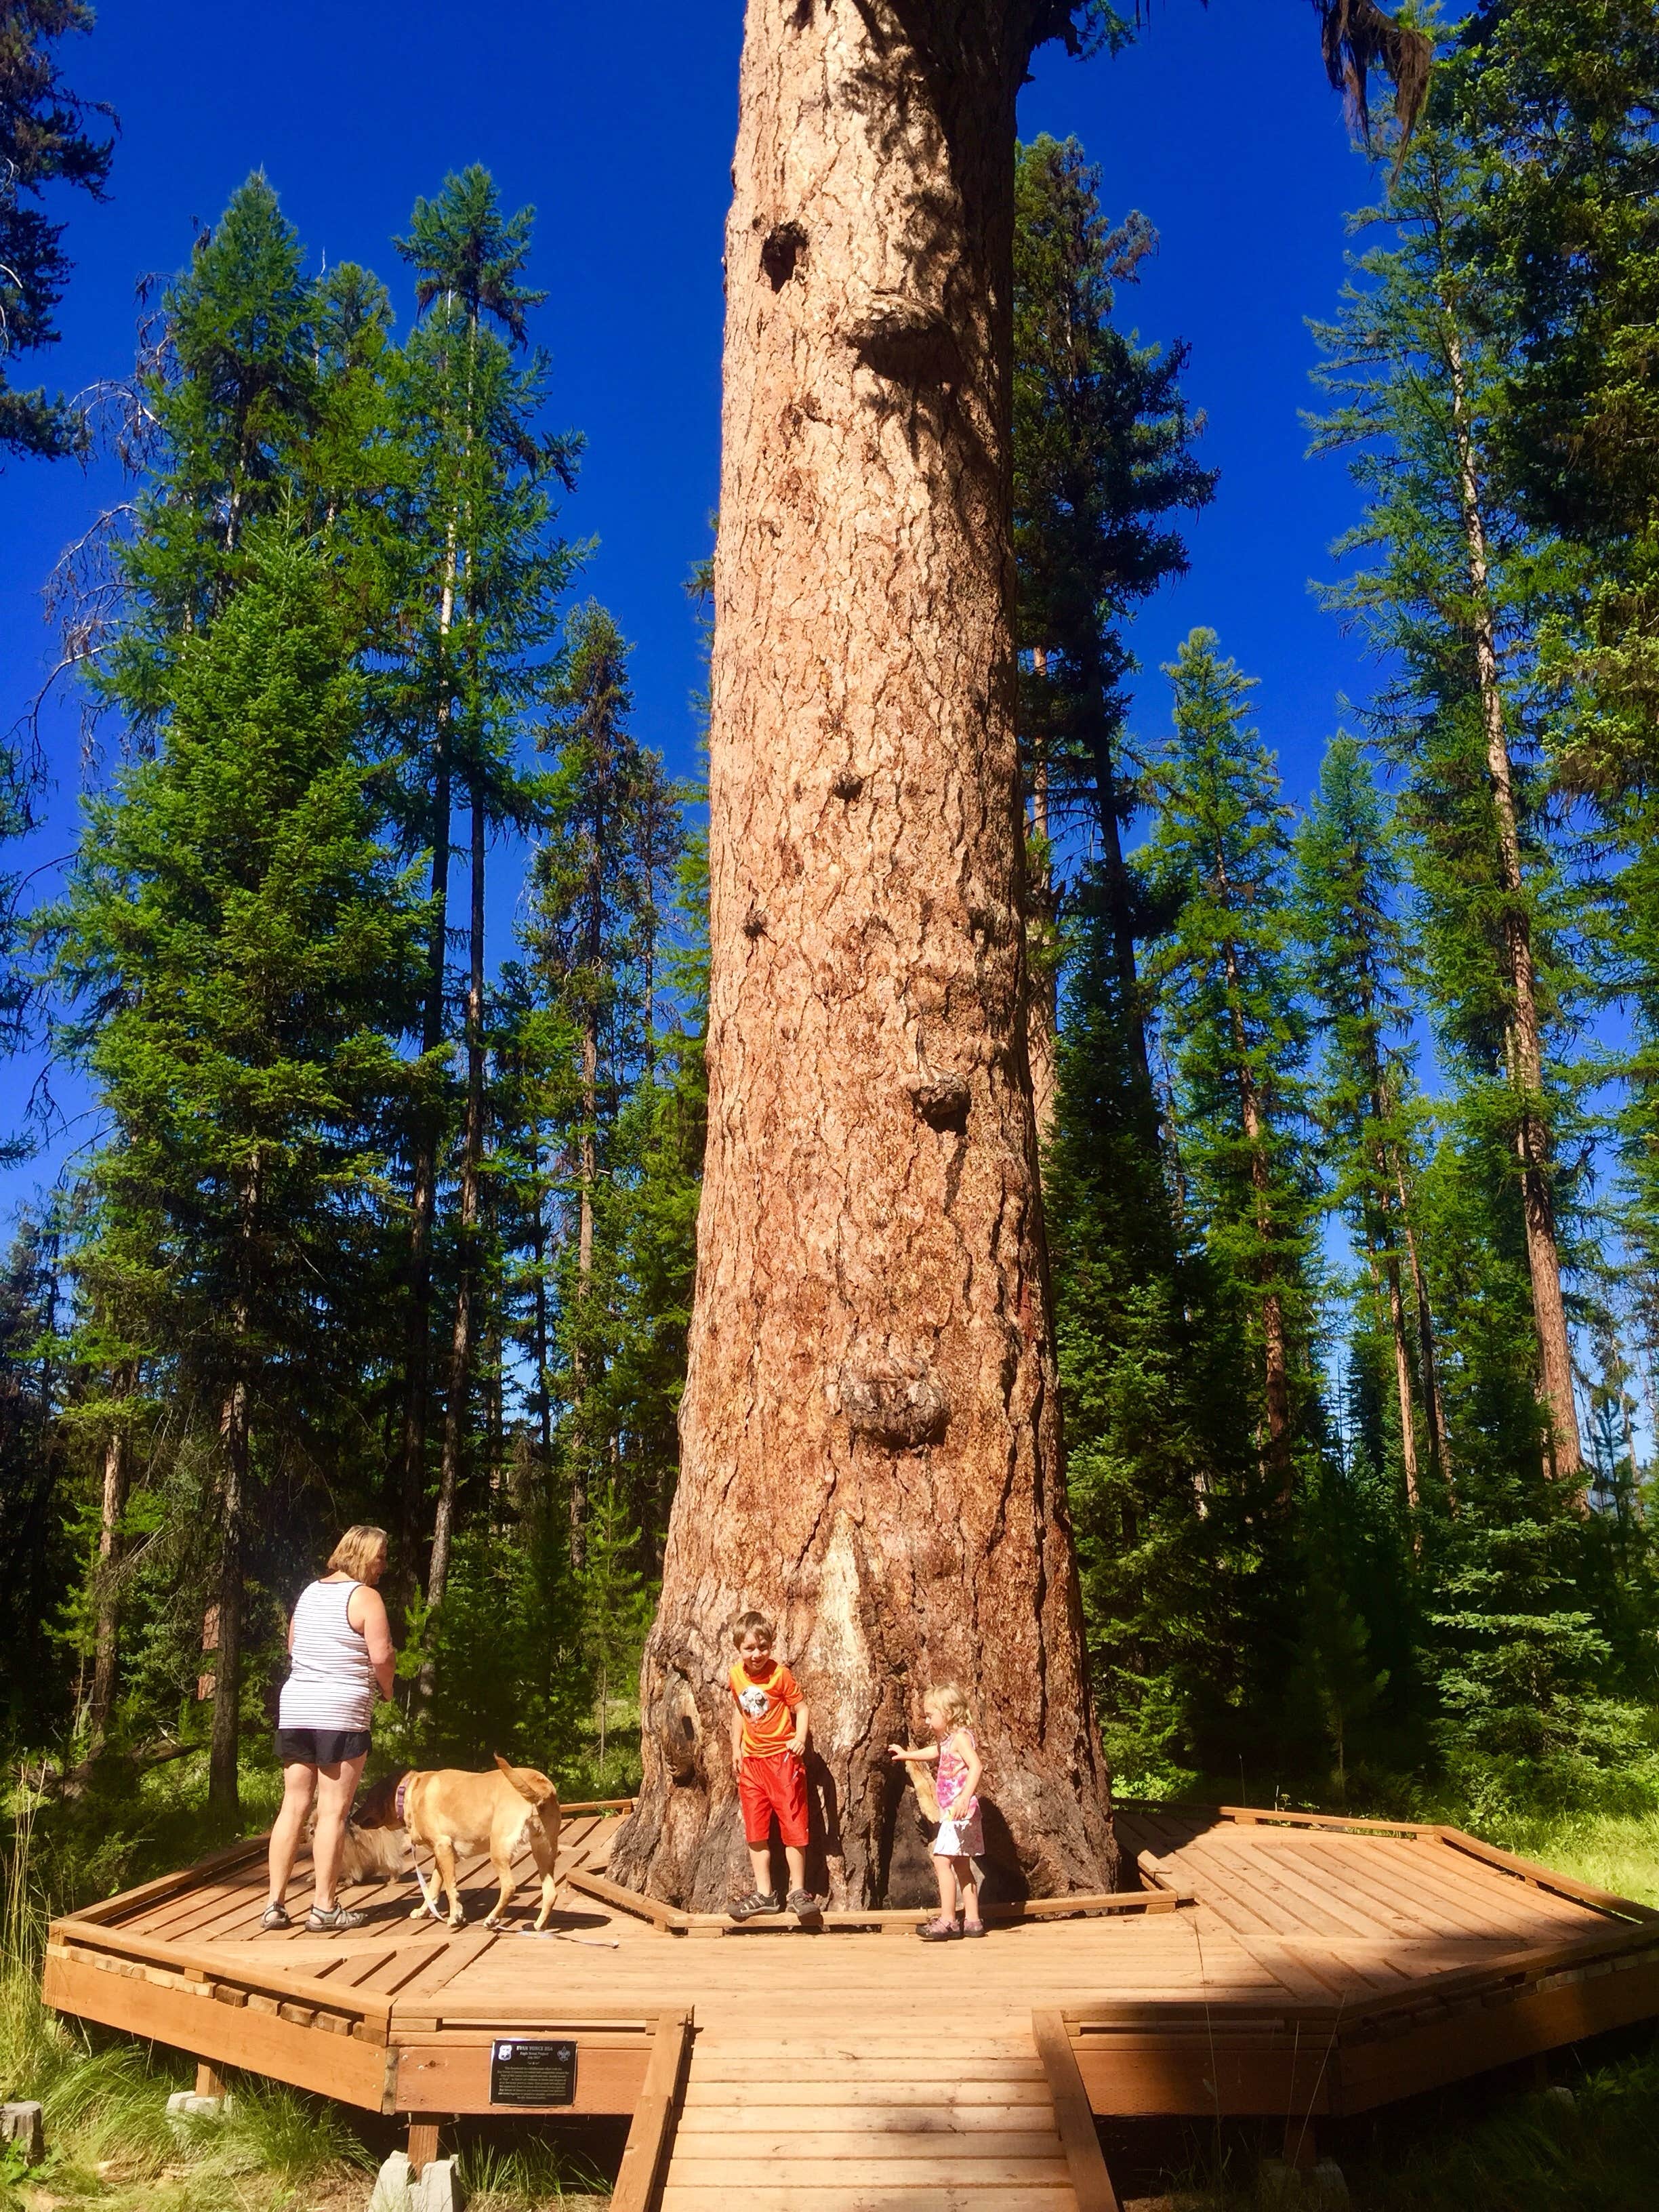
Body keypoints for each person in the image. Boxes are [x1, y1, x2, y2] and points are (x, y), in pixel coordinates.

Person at [264, 1525, 396, 1932]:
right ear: (363, 1555)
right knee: (333, 1812)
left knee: (293, 1806)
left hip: (297, 1708)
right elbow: (382, 1656)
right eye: (380, 1558)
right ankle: (323, 1907)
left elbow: (293, 1647)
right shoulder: (365, 1597)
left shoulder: (309, 1593)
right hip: (340, 1714)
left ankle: (274, 1905)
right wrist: (388, 1689)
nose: (384, 1566)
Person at [726, 1610, 817, 1923]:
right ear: (739, 1648)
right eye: (749, 1648)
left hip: (782, 1760)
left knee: (793, 1827)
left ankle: (798, 1891)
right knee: (756, 1830)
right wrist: (736, 1747)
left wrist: (800, 1739)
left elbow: (801, 1709)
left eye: (763, 1647)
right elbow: (740, 1711)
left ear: (771, 1645)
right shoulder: (736, 1676)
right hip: (752, 1764)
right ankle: (764, 1894)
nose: (757, 1655)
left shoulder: (780, 1675)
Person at [889, 1683, 985, 1939]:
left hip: (959, 1813)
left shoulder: (961, 1738)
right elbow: (935, 1752)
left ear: (949, 1713)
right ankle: (973, 1921)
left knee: (941, 1860)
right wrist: (907, 1755)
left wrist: (964, 1797)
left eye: (931, 1715)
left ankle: (948, 1920)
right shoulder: (949, 1741)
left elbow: (976, 1766)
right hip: (959, 1814)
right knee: (962, 1866)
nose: (927, 1721)